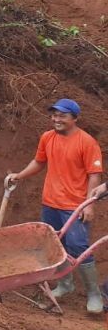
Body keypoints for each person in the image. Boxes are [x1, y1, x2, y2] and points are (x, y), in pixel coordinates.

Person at [8, 98, 105, 314]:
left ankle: (93, 294)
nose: (56, 119)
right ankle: (65, 284)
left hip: (75, 205)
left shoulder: (86, 142)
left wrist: (89, 205)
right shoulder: (47, 137)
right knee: (54, 244)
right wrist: (19, 176)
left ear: (75, 118)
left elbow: (94, 176)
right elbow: (39, 162)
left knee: (78, 246)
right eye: (54, 115)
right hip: (50, 203)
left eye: (62, 115)